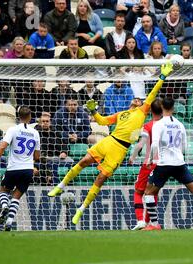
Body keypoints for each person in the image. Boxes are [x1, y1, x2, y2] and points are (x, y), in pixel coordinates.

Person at [47, 61, 174, 225]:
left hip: (120, 149)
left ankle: (81, 210)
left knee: (100, 179)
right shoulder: (121, 114)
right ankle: (61, 185)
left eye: (138, 99)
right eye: (135, 99)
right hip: (109, 140)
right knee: (84, 160)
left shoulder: (142, 111)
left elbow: (154, 92)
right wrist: (93, 110)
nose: (137, 100)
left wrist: (162, 76)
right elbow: (101, 121)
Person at [142, 97, 193, 230]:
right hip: (179, 163)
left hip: (164, 164)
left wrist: (150, 159)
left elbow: (155, 144)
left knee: (149, 192)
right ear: (174, 108)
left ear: (162, 107)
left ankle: (154, 224)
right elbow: (185, 146)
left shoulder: (158, 124)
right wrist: (177, 155)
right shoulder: (180, 124)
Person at [0, 107, 41, 231]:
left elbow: (2, 147)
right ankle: (10, 221)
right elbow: (37, 156)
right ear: (30, 116)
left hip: (13, 168)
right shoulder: (35, 133)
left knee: (3, 190)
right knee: (16, 196)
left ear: (18, 116)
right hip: (28, 170)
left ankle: (5, 205)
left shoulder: (13, 129)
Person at [128, 98, 163, 230]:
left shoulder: (148, 126)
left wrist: (132, 157)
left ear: (150, 111)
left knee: (138, 192)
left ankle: (141, 220)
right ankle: (150, 223)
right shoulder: (168, 125)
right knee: (153, 193)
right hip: (164, 164)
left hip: (149, 163)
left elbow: (139, 144)